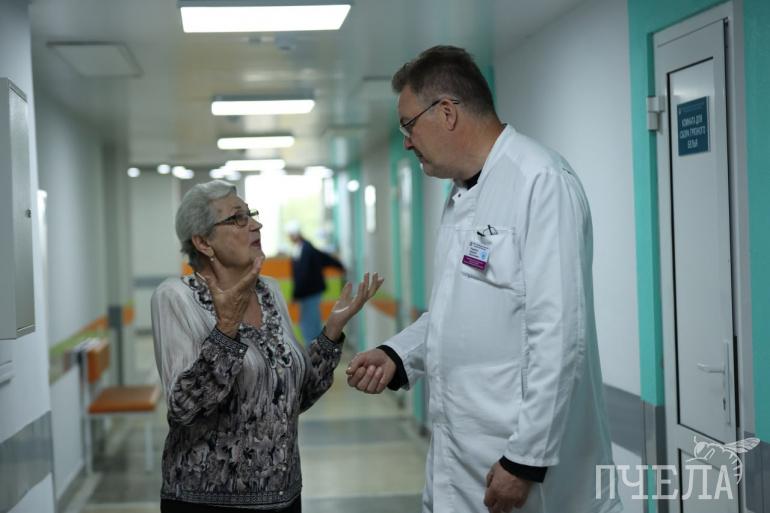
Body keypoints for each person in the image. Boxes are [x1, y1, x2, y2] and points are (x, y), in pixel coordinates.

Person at [346, 46, 620, 513]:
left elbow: (560, 334)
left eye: (409, 125)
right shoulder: (463, 195)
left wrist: (526, 460)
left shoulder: (540, 181)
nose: (407, 142)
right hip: (461, 460)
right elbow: (456, 314)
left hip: (520, 469)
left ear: (446, 112)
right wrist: (398, 354)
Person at [151, 180, 383, 513]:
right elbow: (184, 408)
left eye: (252, 214)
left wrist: (332, 330)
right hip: (206, 501)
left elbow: (294, 398)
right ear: (203, 242)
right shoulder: (177, 298)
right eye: (237, 218)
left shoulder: (269, 292)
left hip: (284, 497)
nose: (255, 225)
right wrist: (226, 330)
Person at [285, 221, 346, 344]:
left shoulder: (306, 249)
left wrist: (295, 294)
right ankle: (314, 348)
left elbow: (303, 274)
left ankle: (315, 350)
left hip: (310, 293)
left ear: (295, 235)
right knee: (308, 323)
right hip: (307, 293)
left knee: (310, 324)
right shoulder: (302, 248)